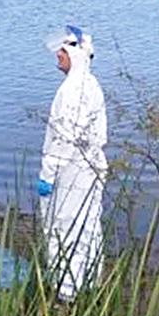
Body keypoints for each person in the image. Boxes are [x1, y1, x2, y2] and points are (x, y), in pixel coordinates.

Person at [37, 25, 108, 300]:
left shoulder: (75, 90)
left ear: (75, 54)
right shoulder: (87, 84)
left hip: (72, 173)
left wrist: (48, 174)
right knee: (87, 226)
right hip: (85, 170)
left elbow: (65, 139)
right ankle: (88, 283)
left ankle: (67, 293)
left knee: (65, 227)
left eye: (62, 51)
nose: (57, 55)